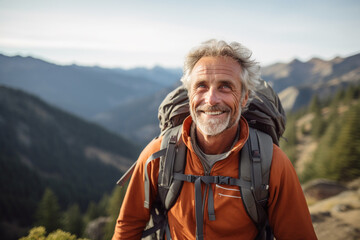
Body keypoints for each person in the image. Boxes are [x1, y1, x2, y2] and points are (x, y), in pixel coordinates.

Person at [112, 39, 317, 240]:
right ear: (190, 94)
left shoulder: (271, 162)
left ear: (244, 97)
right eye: (201, 86)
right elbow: (129, 225)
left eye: (225, 87)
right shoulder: (159, 154)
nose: (211, 100)